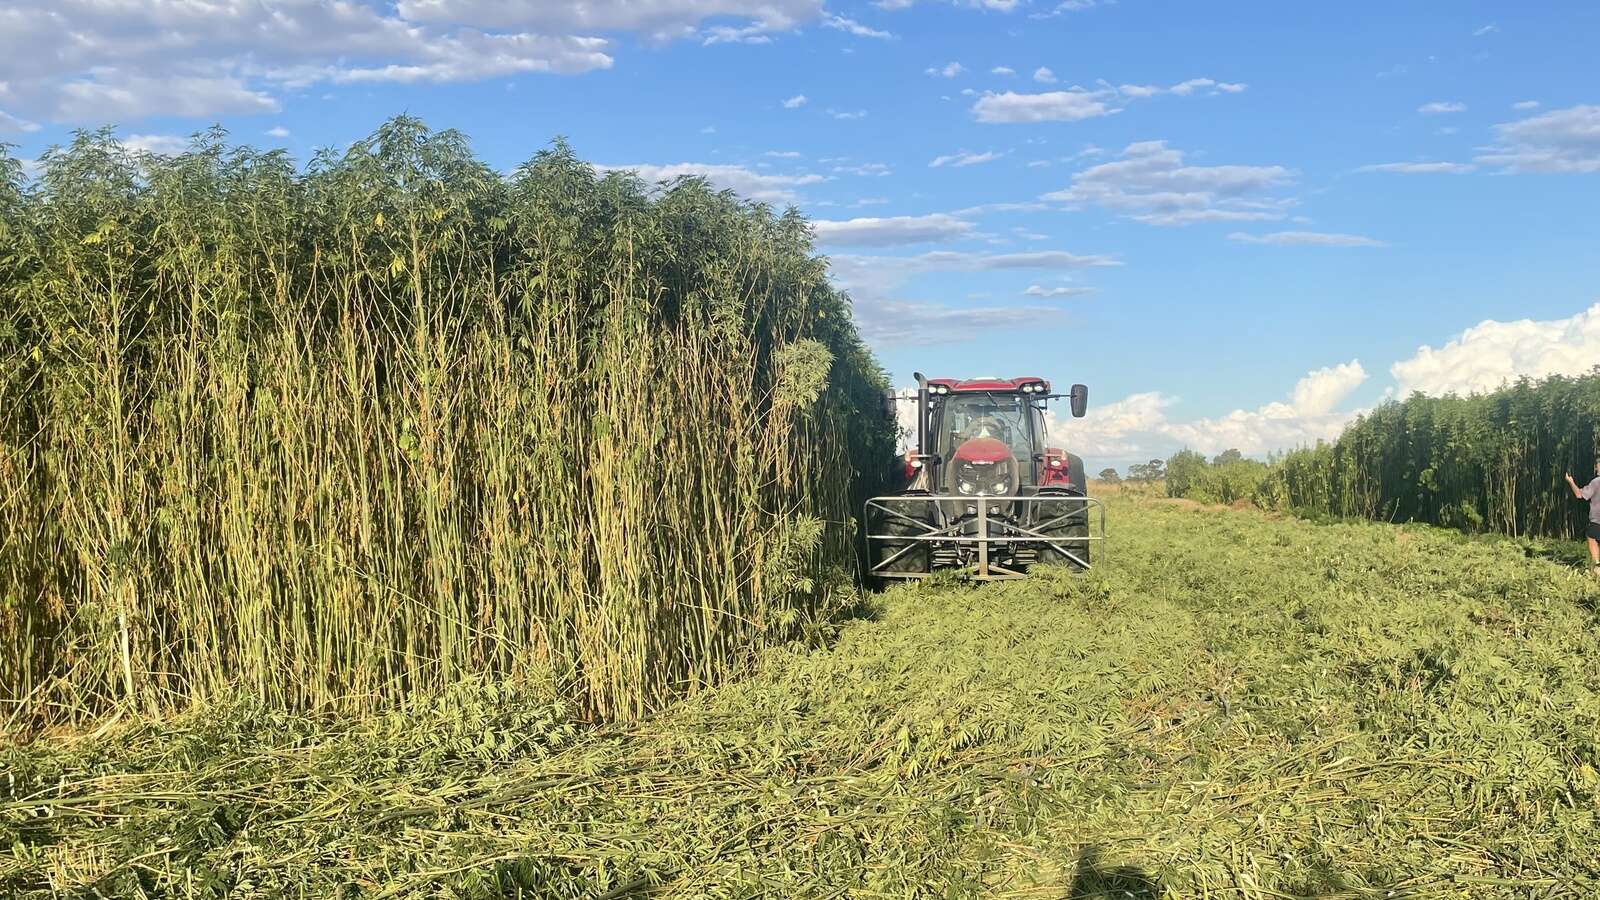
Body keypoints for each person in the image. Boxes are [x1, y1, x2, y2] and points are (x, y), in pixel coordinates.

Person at [1565, 462, 1600, 576]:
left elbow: (1579, 494)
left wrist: (1571, 482)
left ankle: (1597, 566)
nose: (1596, 468)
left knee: (1591, 537)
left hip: (1597, 520)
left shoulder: (1596, 482)